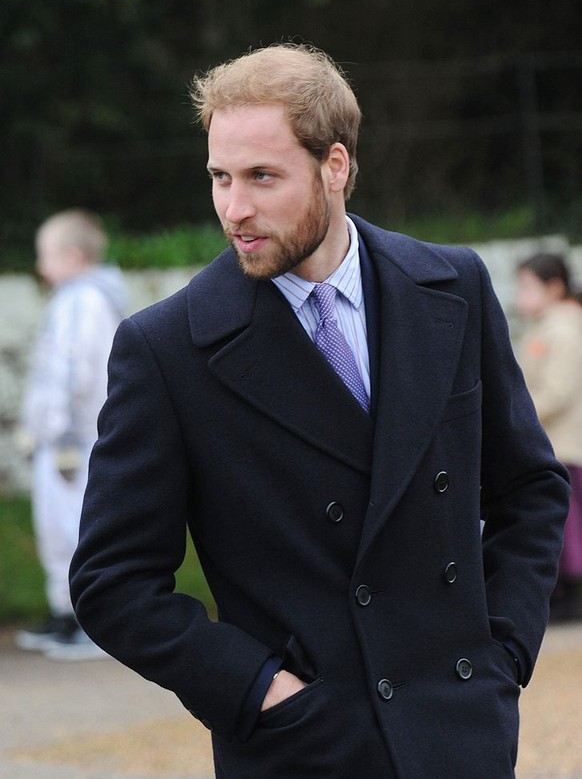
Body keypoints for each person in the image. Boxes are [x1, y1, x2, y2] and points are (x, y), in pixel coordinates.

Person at [70, 45, 569, 777]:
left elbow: (529, 487)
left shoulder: (453, 286)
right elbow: (111, 581)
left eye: (262, 177)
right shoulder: (166, 348)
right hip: (304, 747)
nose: (234, 208)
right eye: (219, 176)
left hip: (459, 732)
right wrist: (258, 688)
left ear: (335, 166)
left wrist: (501, 651)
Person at [17, 208, 126, 660]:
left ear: (74, 256)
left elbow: (72, 369)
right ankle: (67, 612)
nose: (41, 266)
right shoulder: (73, 297)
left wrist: (57, 430)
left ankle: (93, 621)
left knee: (76, 529)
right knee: (56, 532)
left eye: (47, 255)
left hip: (75, 444)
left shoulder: (82, 300)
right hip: (62, 440)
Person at [515, 253, 582, 622]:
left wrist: (517, 417)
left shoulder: (564, 328)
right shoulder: (547, 326)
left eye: (527, 287)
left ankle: (567, 597)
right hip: (554, 443)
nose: (520, 296)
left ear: (554, 287)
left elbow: (558, 389)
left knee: (564, 521)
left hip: (564, 445)